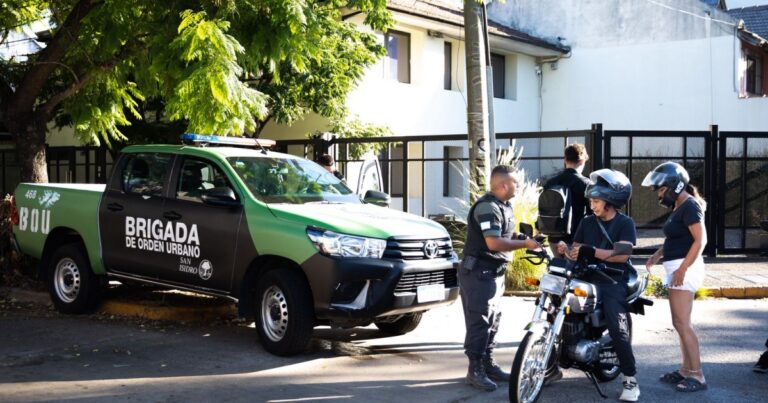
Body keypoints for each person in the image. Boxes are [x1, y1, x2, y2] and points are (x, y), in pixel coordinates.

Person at [555, 168, 640, 402]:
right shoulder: (587, 222)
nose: (591, 205)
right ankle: (551, 363)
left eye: (596, 201)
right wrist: (565, 250)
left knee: (617, 326)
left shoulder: (625, 223)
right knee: (555, 307)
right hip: (586, 275)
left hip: (613, 278)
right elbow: (576, 251)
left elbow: (622, 255)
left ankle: (630, 380)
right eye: (591, 200)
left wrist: (591, 251)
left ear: (611, 201)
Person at [460, 165, 539, 391]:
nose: (518, 185)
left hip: (493, 273)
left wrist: (524, 238)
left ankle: (487, 364)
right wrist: (524, 245)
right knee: (480, 322)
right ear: (504, 185)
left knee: (493, 321)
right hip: (479, 273)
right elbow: (493, 243)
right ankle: (474, 370)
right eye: (515, 182)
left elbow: (504, 233)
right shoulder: (487, 207)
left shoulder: (503, 206)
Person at [642, 162, 708, 393]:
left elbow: (700, 241)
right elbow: (676, 238)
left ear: (675, 185)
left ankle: (697, 375)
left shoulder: (690, 205)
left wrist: (682, 270)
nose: (659, 194)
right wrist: (657, 255)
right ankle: (686, 369)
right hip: (676, 267)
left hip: (684, 269)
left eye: (661, 189)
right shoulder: (680, 206)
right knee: (679, 323)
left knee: (682, 323)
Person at [543, 143, 591, 249]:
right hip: (576, 238)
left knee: (557, 260)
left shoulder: (551, 182)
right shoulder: (585, 183)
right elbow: (592, 212)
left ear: (565, 160)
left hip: (554, 237)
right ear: (582, 161)